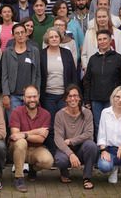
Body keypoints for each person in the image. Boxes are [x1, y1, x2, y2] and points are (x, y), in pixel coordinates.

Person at [8, 85, 54, 193]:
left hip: (36, 148)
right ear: (23, 98)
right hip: (16, 149)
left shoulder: (46, 114)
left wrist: (24, 135)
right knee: (21, 142)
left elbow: (40, 140)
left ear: (38, 97)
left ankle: (33, 169)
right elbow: (15, 135)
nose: (32, 99)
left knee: (48, 161)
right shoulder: (16, 112)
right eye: (29, 97)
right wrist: (36, 131)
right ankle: (19, 178)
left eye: (34, 96)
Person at [84, 30, 121, 138]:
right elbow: (88, 80)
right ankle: (101, 151)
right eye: (99, 39)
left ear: (110, 40)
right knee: (98, 126)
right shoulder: (93, 59)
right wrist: (87, 100)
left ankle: (114, 151)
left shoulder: (118, 58)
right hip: (96, 100)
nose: (102, 42)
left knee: (114, 126)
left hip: (114, 99)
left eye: (105, 39)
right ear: (97, 42)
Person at [40, 27, 77, 156]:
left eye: (56, 36)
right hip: (48, 96)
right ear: (47, 39)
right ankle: (51, 152)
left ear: (60, 38)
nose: (54, 39)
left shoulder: (66, 54)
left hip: (64, 96)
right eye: (51, 37)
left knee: (63, 126)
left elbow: (73, 74)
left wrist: (73, 95)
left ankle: (62, 153)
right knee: (50, 126)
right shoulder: (41, 54)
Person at [54, 84, 97, 189]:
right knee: (60, 160)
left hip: (82, 149)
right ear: (65, 99)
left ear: (79, 98)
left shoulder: (87, 113)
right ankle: (64, 173)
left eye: (75, 95)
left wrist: (72, 141)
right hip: (65, 150)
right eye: (69, 96)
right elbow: (58, 139)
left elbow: (89, 134)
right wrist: (71, 154)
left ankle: (87, 177)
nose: (72, 98)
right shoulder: (59, 115)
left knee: (92, 145)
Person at [2, 24, 41, 120]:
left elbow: (38, 75)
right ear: (13, 36)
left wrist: (37, 94)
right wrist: (6, 95)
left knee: (30, 123)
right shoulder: (7, 51)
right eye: (17, 33)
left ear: (26, 33)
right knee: (14, 124)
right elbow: (4, 75)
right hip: (13, 96)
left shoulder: (34, 50)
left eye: (22, 32)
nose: (20, 35)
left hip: (30, 96)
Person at [81, 7, 121, 72]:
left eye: (104, 16)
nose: (101, 19)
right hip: (95, 72)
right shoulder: (89, 33)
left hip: (114, 71)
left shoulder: (119, 33)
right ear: (96, 19)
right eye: (99, 17)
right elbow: (84, 54)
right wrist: (86, 70)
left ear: (108, 17)